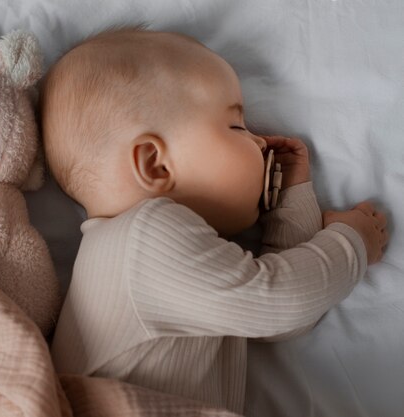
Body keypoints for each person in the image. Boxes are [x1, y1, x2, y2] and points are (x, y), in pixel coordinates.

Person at [39, 27, 389, 414]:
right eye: (236, 126)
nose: (259, 142)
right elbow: (277, 301)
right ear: (155, 164)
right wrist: (352, 241)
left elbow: (279, 317)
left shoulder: (152, 252)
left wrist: (291, 199)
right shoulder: (144, 236)